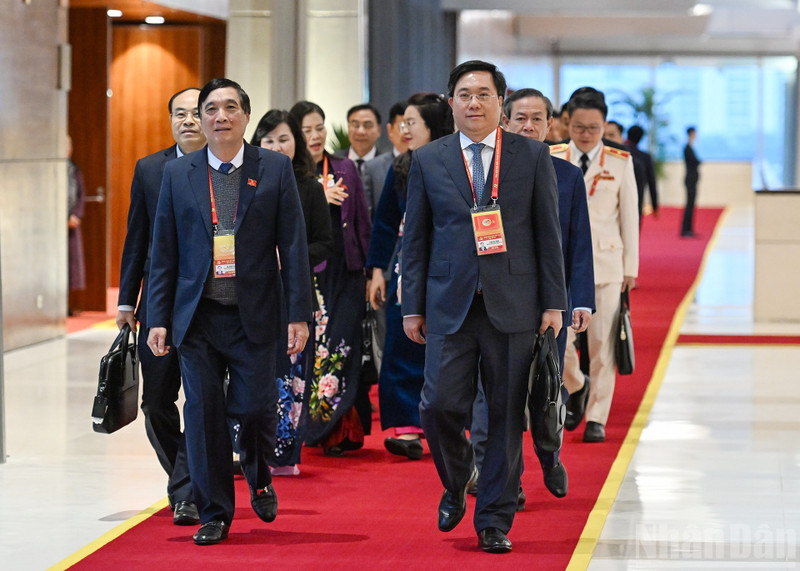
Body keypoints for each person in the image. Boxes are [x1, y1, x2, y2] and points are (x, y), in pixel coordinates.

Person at [401, 60, 567, 554]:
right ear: (450, 102)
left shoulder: (531, 156)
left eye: (484, 94)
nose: (474, 103)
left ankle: (494, 518)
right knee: (437, 407)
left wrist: (554, 303)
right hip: (448, 303)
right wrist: (412, 306)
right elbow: (417, 240)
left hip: (514, 304)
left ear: (501, 101)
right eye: (464, 94)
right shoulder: (429, 159)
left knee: (503, 416)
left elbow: (547, 234)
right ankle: (456, 482)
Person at [146, 78, 312, 545]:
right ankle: (213, 511)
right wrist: (157, 317)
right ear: (201, 117)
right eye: (211, 109)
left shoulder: (274, 169)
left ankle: (259, 476)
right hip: (197, 317)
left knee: (255, 407)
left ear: (244, 116)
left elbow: (293, 246)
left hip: (254, 314)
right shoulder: (179, 174)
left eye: (231, 108)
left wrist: (298, 314)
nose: (221, 116)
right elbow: (164, 252)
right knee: (201, 415)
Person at [469, 87, 596, 503]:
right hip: (497, 304)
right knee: (493, 398)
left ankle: (548, 453)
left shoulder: (568, 176)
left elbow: (577, 244)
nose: (529, 126)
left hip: (546, 308)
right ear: (505, 121)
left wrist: (576, 301)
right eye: (520, 118)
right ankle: (505, 483)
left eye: (537, 119)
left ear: (551, 125)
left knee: (542, 390)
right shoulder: (486, 173)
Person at [117, 87, 206, 526]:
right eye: (180, 114)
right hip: (158, 302)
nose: (188, 121)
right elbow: (136, 240)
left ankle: (186, 491)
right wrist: (124, 300)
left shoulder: (225, 169)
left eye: (195, 112)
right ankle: (185, 477)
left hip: (210, 303)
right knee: (157, 401)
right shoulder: (151, 169)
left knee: (206, 399)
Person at [366, 93, 453, 460]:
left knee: (446, 349)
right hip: (406, 266)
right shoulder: (401, 167)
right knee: (402, 343)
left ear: (433, 127)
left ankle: (446, 424)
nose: (404, 130)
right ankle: (406, 428)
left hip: (449, 268)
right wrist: (377, 272)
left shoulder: (455, 165)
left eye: (412, 122)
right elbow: (385, 222)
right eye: (403, 123)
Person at [551, 91, 639, 444]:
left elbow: (629, 217)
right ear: (566, 123)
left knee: (602, 344)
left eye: (593, 128)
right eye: (578, 127)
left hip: (605, 264)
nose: (585, 134)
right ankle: (576, 384)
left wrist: (630, 267)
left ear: (605, 125)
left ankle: (598, 416)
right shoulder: (553, 156)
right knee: (562, 341)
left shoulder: (620, 161)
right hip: (562, 266)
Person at [250, 109, 333, 476]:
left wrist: (288, 258)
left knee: (293, 373)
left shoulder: (309, 187)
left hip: (294, 293)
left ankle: (283, 453)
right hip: (252, 292)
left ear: (296, 142)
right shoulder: (244, 184)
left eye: (283, 138)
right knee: (252, 372)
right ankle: (247, 449)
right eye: (268, 140)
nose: (276, 146)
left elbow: (323, 243)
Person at [289, 100, 373, 456]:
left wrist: (371, 271)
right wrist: (317, 197)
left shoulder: (345, 167)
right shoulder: (290, 173)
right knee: (312, 351)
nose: (315, 135)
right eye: (306, 130)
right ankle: (310, 427)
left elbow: (362, 224)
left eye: (320, 127)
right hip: (309, 275)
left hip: (346, 272)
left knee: (342, 346)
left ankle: (341, 428)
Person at [362, 100, 409, 215]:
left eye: (412, 124)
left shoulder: (430, 165)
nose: (407, 132)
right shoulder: (372, 168)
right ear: (390, 130)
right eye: (402, 126)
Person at [336, 103, 385, 179]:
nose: (361, 131)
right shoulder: (334, 162)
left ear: (379, 130)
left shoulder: (387, 165)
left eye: (367, 125)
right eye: (355, 125)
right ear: (348, 128)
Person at [626, 125, 659, 227]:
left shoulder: (621, 154)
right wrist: (655, 206)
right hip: (637, 199)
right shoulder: (645, 157)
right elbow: (652, 182)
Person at [67, 135, 86, 301]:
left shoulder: (74, 168)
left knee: (72, 265)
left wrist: (75, 215)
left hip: (71, 222)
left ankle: (69, 303)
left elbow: (81, 195)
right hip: (55, 222)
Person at [682, 126, 701, 237]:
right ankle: (686, 229)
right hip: (690, 179)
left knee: (691, 204)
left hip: (693, 179)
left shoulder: (691, 147)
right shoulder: (687, 148)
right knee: (689, 204)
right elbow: (694, 162)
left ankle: (689, 228)